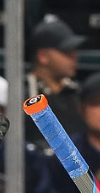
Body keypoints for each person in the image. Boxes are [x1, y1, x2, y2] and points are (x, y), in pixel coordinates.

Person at [24, 16, 86, 148]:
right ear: (43, 56)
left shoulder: (80, 93)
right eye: (66, 52)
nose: (75, 57)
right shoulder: (21, 93)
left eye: (74, 51)